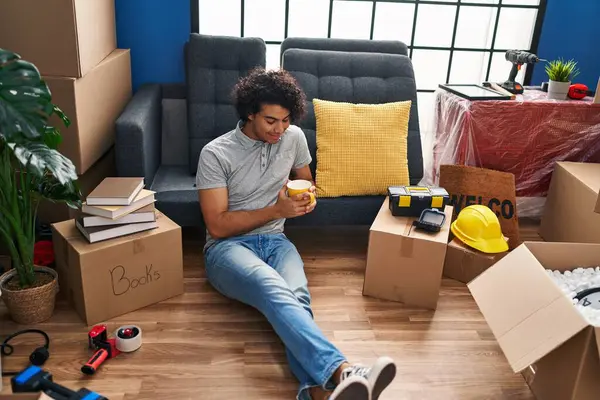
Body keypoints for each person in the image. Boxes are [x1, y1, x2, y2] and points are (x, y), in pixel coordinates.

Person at [196, 67, 397, 400]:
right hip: (226, 249)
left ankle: (316, 391)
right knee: (271, 286)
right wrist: (275, 210)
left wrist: (306, 198)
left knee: (298, 296)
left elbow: (306, 180)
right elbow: (217, 224)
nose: (280, 129)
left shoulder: (294, 138)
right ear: (249, 114)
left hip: (276, 241)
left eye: (286, 119)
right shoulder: (216, 153)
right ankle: (344, 370)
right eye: (271, 121)